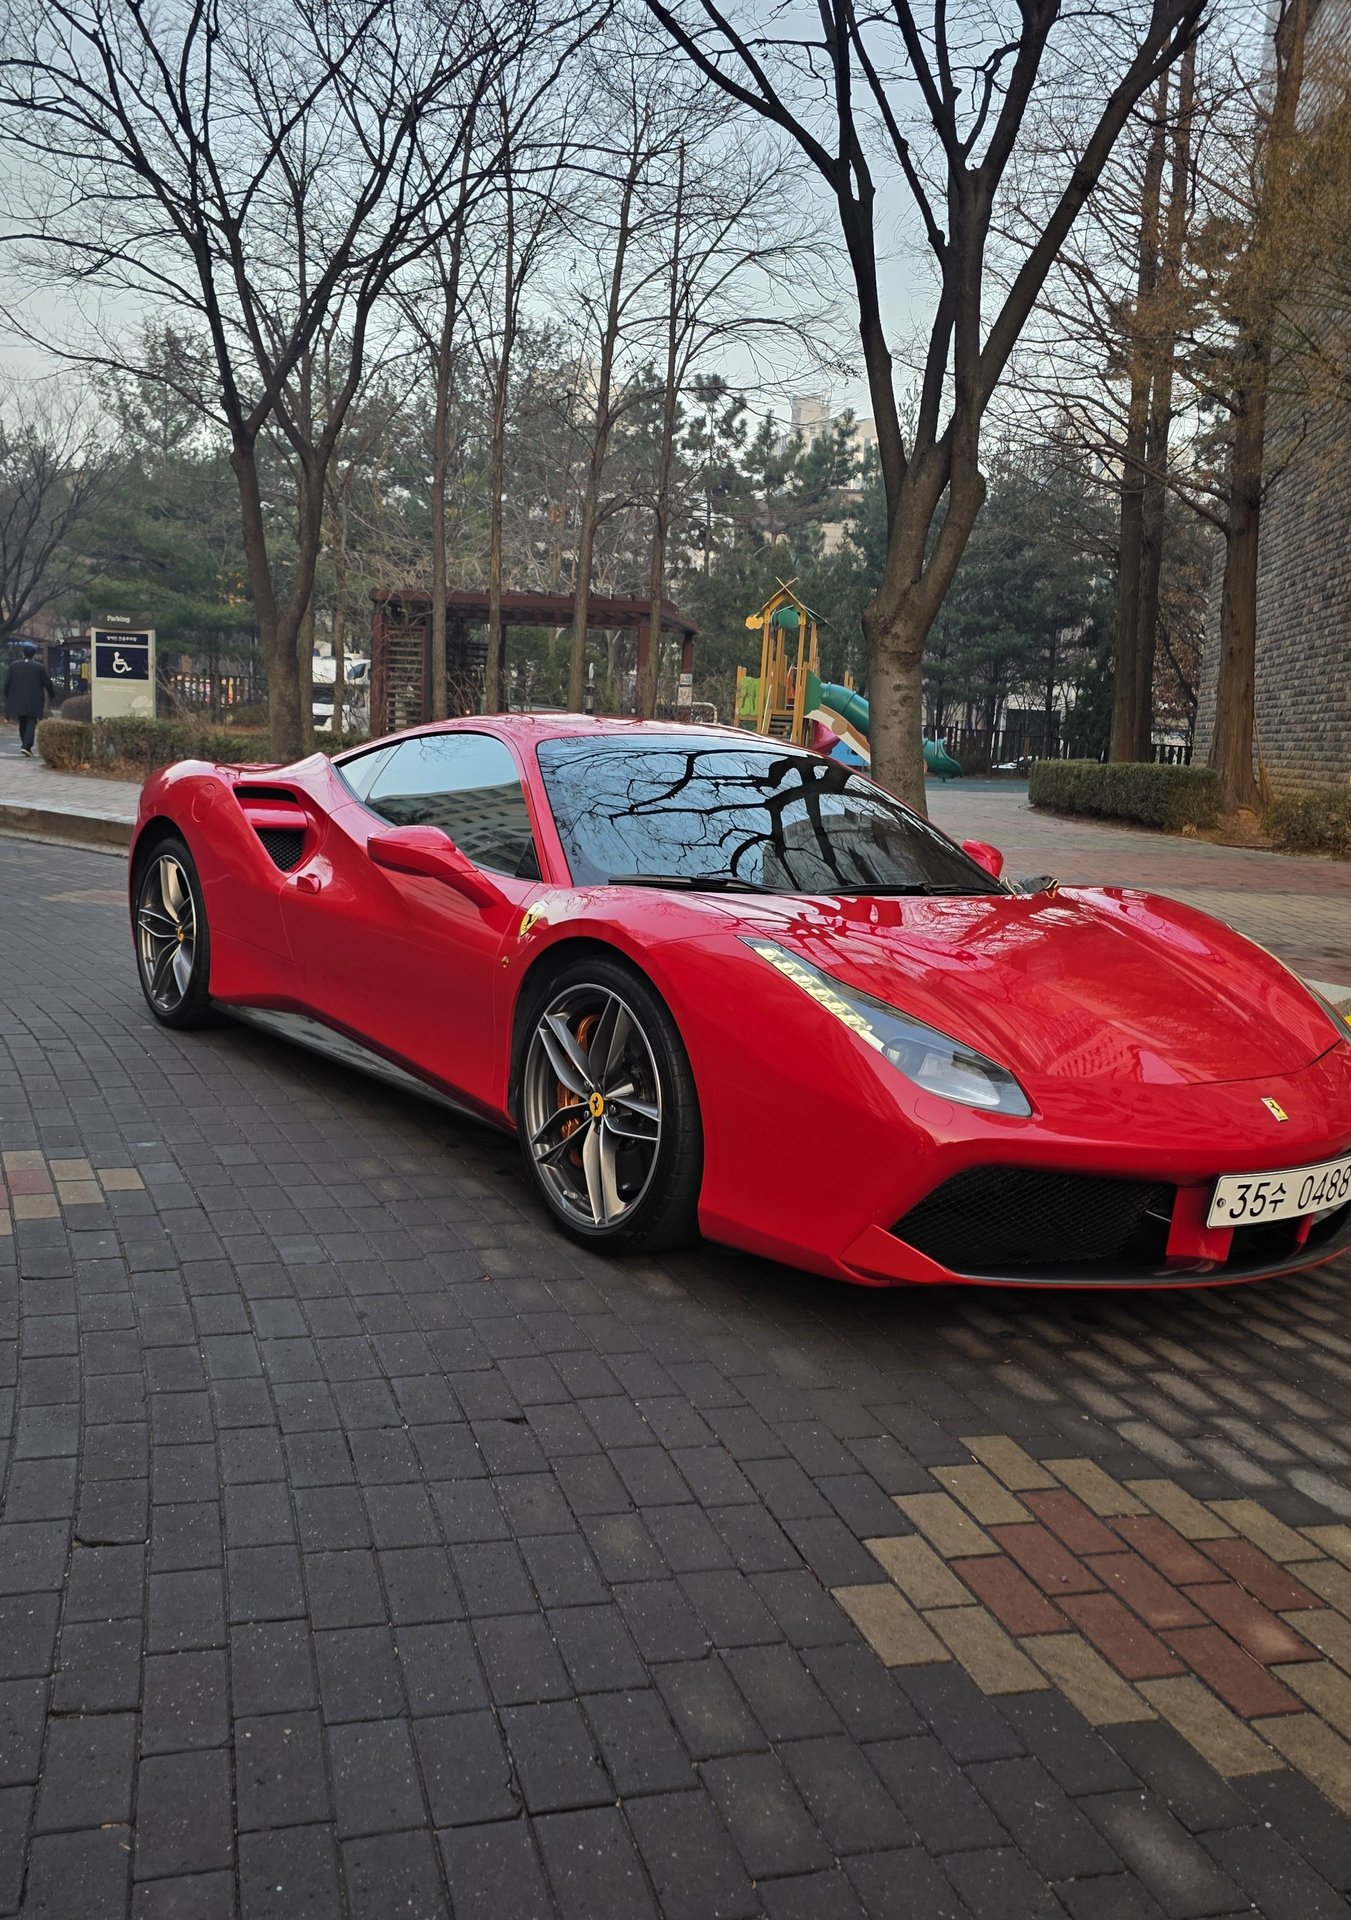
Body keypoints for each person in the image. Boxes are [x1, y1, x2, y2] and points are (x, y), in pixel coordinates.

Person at [4, 642, 56, 756]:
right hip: (34, 699)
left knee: (22, 722)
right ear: (33, 655)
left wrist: (7, 695)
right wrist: (52, 694)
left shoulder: (14, 666)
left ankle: (25, 745)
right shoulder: (39, 667)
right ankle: (26, 746)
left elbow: (7, 683)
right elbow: (47, 683)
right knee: (31, 722)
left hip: (18, 699)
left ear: (23, 654)